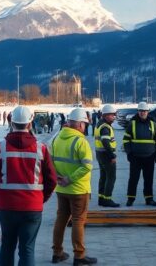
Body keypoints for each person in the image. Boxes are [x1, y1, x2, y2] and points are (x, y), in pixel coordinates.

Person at [0, 106, 57, 266]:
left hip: (7, 207)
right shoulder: (41, 148)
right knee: (27, 249)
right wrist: (41, 199)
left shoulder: (1, 147)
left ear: (11, 123)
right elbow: (52, 179)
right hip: (32, 208)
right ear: (30, 124)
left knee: (7, 247)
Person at [50, 108, 96, 265]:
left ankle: (57, 253)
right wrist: (70, 179)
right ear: (80, 124)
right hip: (78, 189)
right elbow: (87, 166)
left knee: (61, 219)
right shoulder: (81, 141)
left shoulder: (57, 138)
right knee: (78, 220)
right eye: (85, 124)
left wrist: (58, 178)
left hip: (61, 189)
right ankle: (79, 255)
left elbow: (50, 162)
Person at [123, 102, 156, 207]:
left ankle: (149, 199)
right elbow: (126, 139)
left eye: (144, 111)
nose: (142, 113)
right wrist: (129, 153)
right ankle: (130, 199)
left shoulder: (153, 124)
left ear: (148, 112)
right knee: (133, 179)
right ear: (138, 112)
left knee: (149, 179)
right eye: (140, 111)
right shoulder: (132, 124)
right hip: (135, 157)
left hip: (150, 157)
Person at [94, 104, 119, 207]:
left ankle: (101, 198)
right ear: (106, 115)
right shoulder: (105, 127)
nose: (114, 117)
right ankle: (107, 199)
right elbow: (105, 142)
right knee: (111, 177)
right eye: (112, 115)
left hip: (100, 154)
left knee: (103, 177)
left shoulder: (99, 124)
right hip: (106, 155)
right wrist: (112, 156)